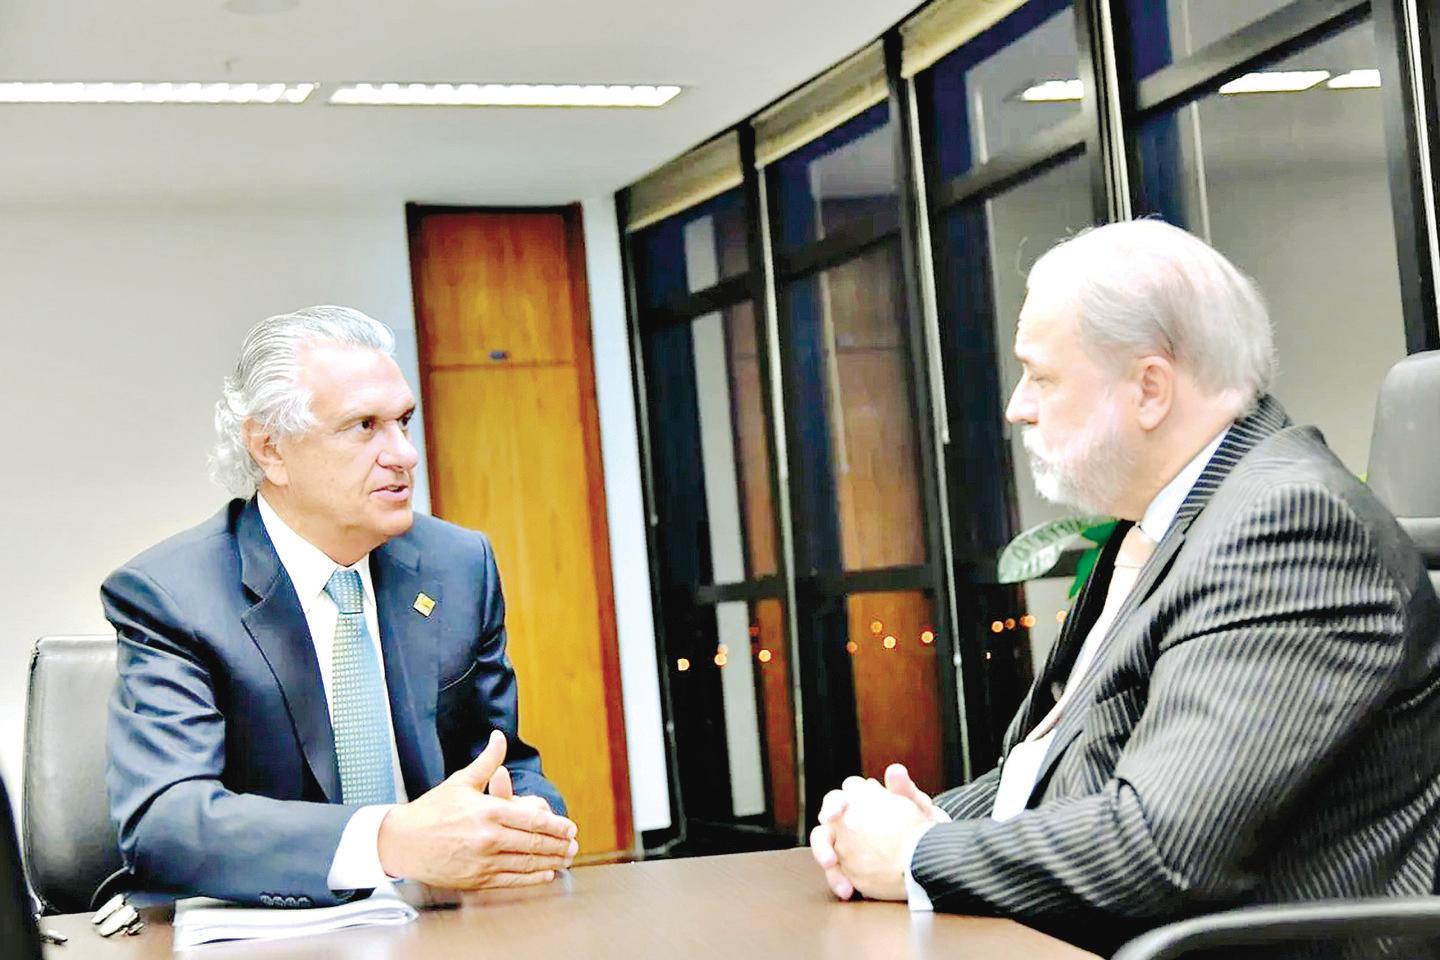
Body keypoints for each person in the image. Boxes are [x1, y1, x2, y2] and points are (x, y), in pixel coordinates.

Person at [809, 220, 1440, 952]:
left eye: (1042, 377)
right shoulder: (1168, 520)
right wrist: (913, 829)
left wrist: (917, 856)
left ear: (1149, 389)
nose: (1019, 406)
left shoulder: (1288, 526)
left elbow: (1165, 845)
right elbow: (1067, 762)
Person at [104, 305, 577, 907]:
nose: (404, 454)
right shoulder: (171, 596)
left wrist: (529, 816)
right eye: (364, 427)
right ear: (269, 447)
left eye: (404, 421)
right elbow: (165, 823)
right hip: (266, 929)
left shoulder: (457, 565)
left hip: (439, 921)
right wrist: (387, 841)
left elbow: (504, 757)